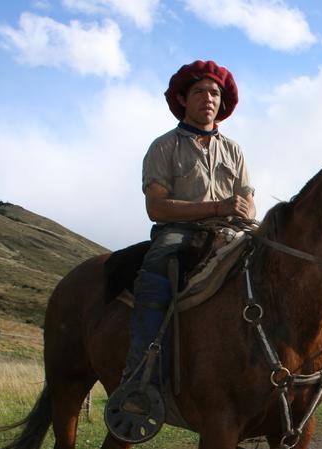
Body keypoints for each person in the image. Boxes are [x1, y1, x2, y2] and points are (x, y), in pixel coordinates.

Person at [114, 59, 256, 414]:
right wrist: (215, 207)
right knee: (156, 273)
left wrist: (243, 212)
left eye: (214, 93)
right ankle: (141, 379)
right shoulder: (164, 147)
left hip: (232, 231)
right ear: (183, 98)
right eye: (199, 91)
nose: (208, 98)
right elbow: (157, 209)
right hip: (179, 232)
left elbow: (249, 203)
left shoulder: (234, 150)